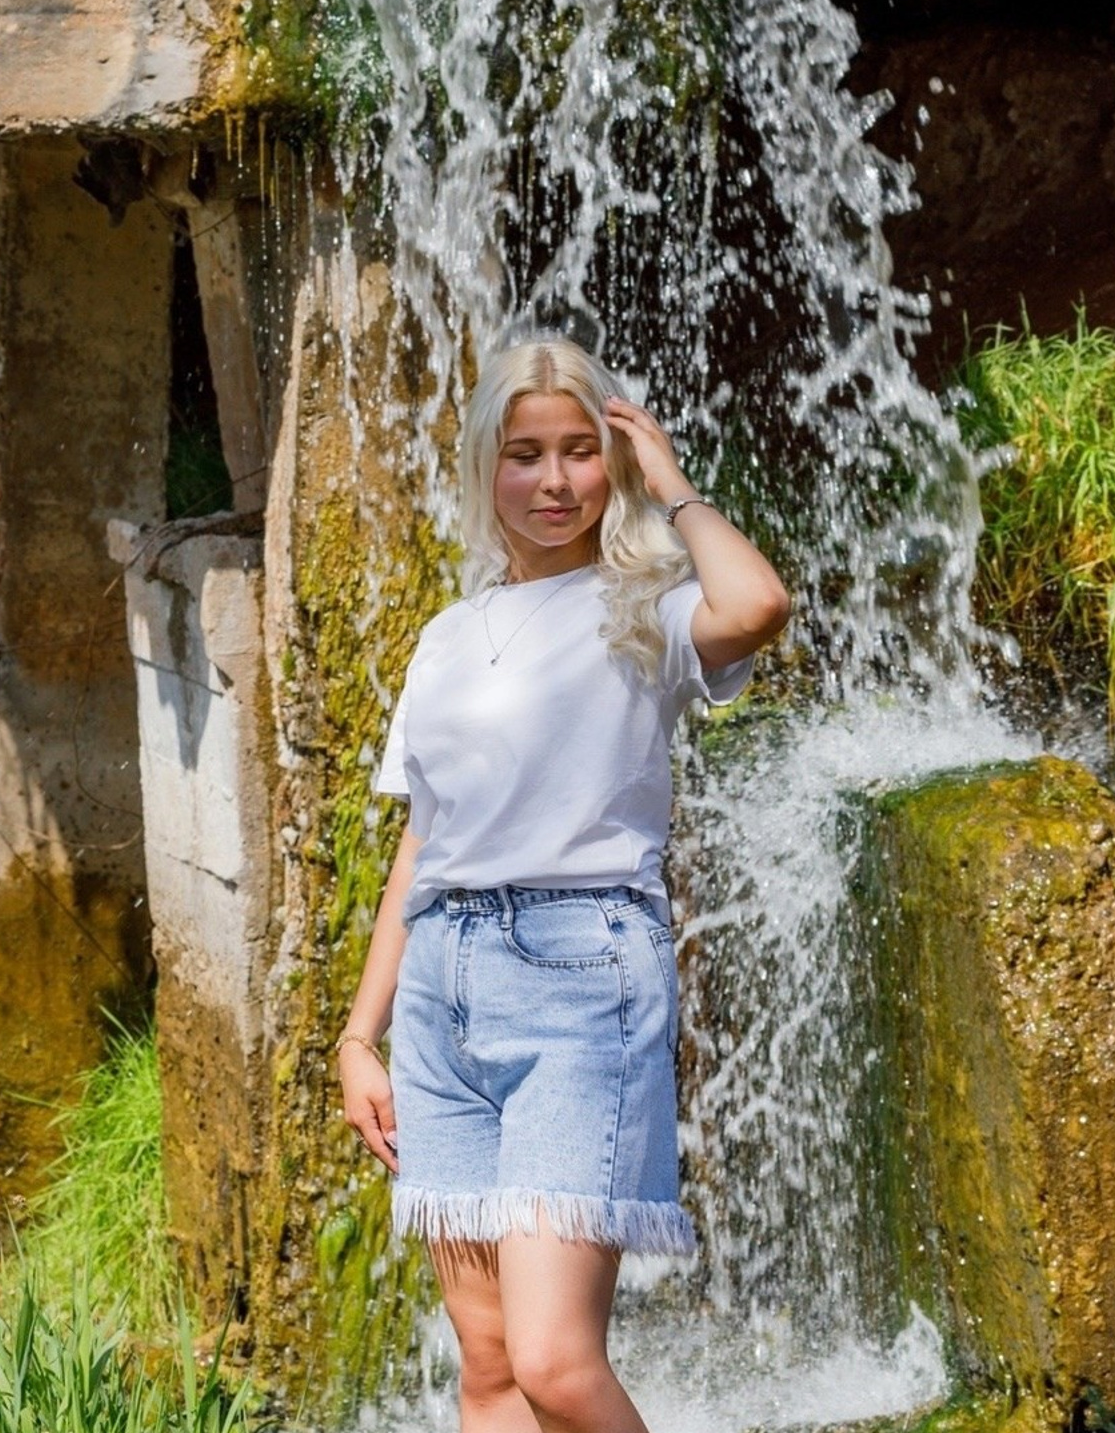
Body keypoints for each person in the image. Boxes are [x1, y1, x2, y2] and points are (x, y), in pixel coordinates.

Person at [336, 335, 791, 1433]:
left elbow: (762, 604)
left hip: (583, 980)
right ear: (486, 466)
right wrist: (362, 1033)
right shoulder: (447, 639)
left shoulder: (647, 608)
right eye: (526, 454)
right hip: (445, 992)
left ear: (613, 464)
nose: (553, 481)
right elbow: (426, 842)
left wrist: (671, 483)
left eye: (581, 452)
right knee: (488, 1368)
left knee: (554, 1362)